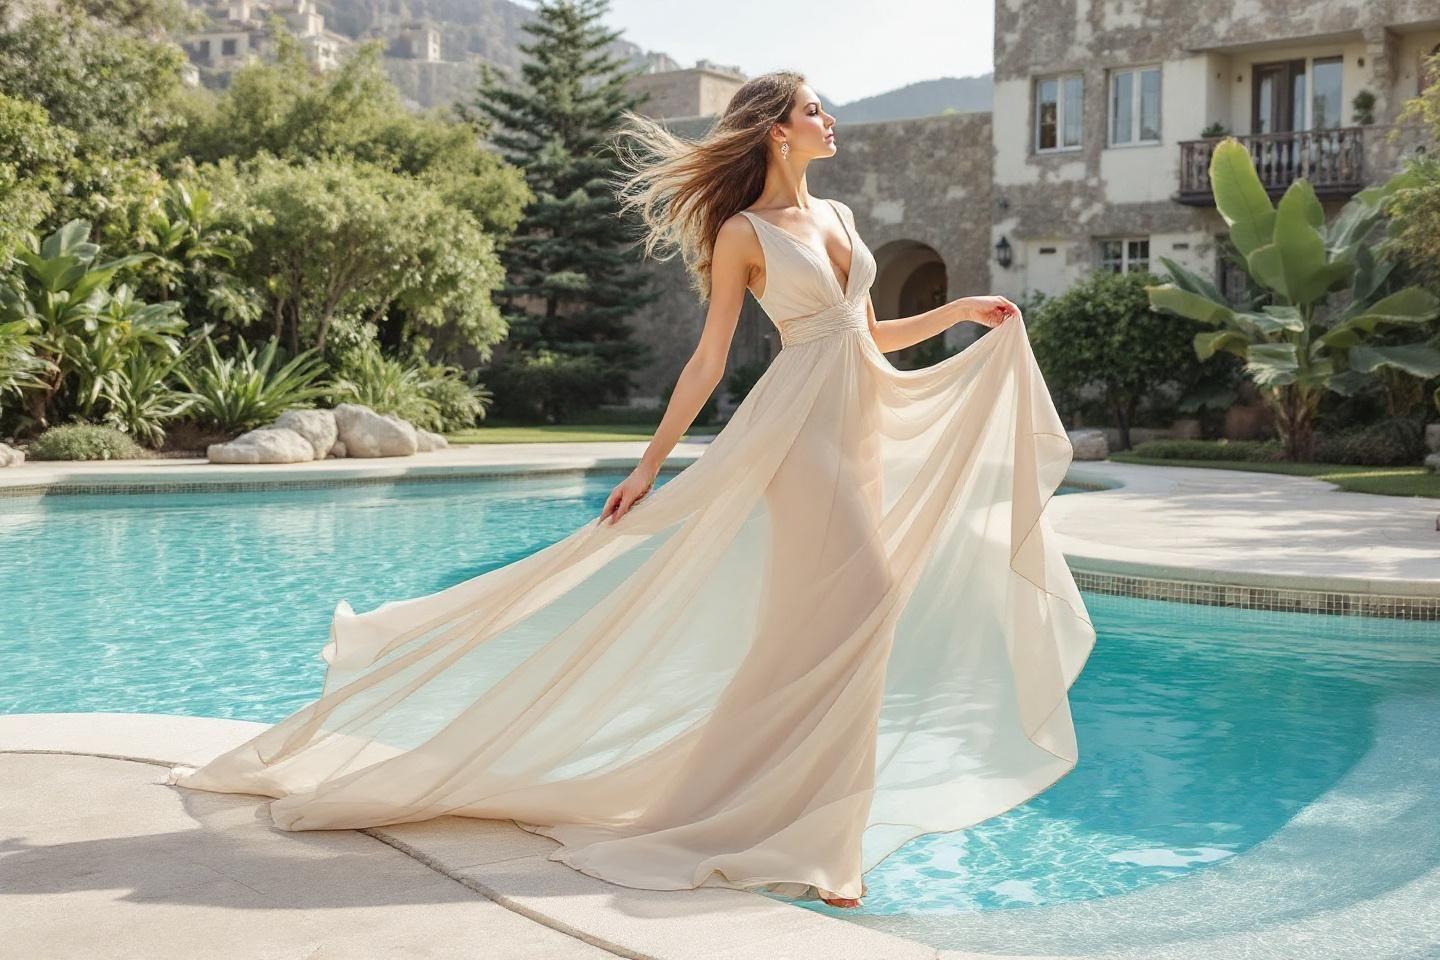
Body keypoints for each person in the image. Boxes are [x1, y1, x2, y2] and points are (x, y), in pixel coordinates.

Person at [169, 71, 1096, 911]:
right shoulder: (743, 233)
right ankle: (812, 840)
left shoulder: (844, 218)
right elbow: (708, 359)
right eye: (815, 108)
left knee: (818, 632)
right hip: (795, 438)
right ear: (777, 130)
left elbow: (871, 334)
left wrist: (963, 313)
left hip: (859, 428)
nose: (832, 118)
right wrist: (650, 464)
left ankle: (802, 828)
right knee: (871, 597)